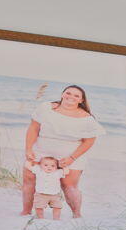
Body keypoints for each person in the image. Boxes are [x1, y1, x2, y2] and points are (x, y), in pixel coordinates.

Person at [18, 85, 105, 218]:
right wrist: (28, 149)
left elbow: (89, 141)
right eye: (68, 93)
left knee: (68, 185)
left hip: (71, 154)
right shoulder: (46, 107)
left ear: (81, 100)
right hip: (41, 149)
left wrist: (71, 158)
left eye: (76, 96)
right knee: (30, 179)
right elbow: (34, 128)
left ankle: (77, 215)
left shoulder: (87, 119)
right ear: (62, 94)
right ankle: (26, 212)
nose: (71, 97)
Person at [30, 156, 66, 220]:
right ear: (40, 165)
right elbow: (28, 166)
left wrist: (64, 166)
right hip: (41, 194)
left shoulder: (58, 172)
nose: (49, 167)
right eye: (46, 165)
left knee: (57, 207)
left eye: (53, 166)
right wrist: (30, 160)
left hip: (55, 194)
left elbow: (66, 172)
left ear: (56, 167)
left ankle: (56, 219)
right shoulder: (39, 170)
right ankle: (40, 218)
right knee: (39, 207)